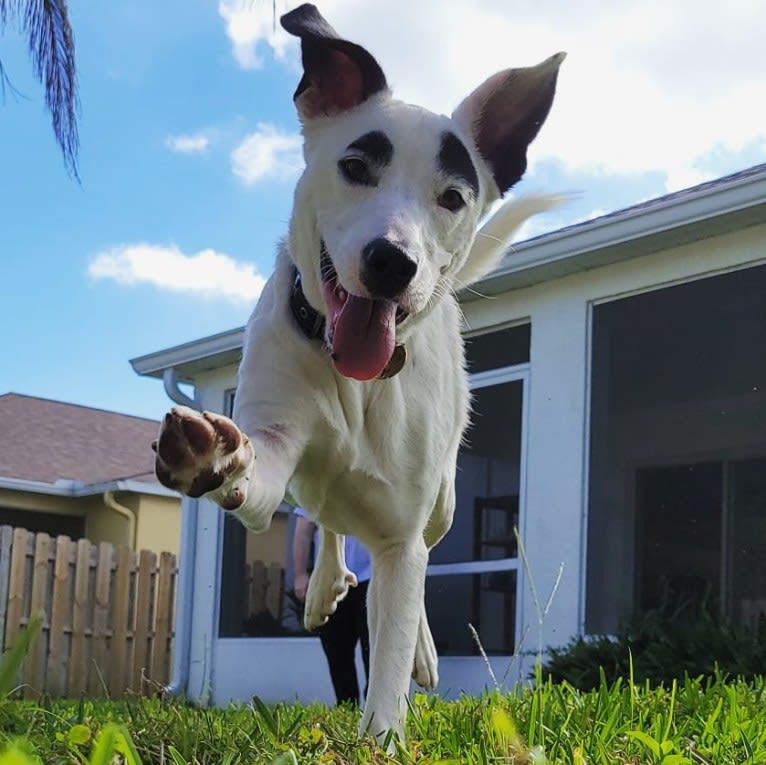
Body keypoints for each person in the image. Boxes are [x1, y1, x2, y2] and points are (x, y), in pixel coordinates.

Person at [292, 508, 371, 706]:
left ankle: (376, 710)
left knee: (375, 650)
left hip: (373, 579)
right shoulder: (318, 481)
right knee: (337, 652)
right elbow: (303, 531)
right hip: (331, 581)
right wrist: (300, 574)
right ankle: (346, 707)